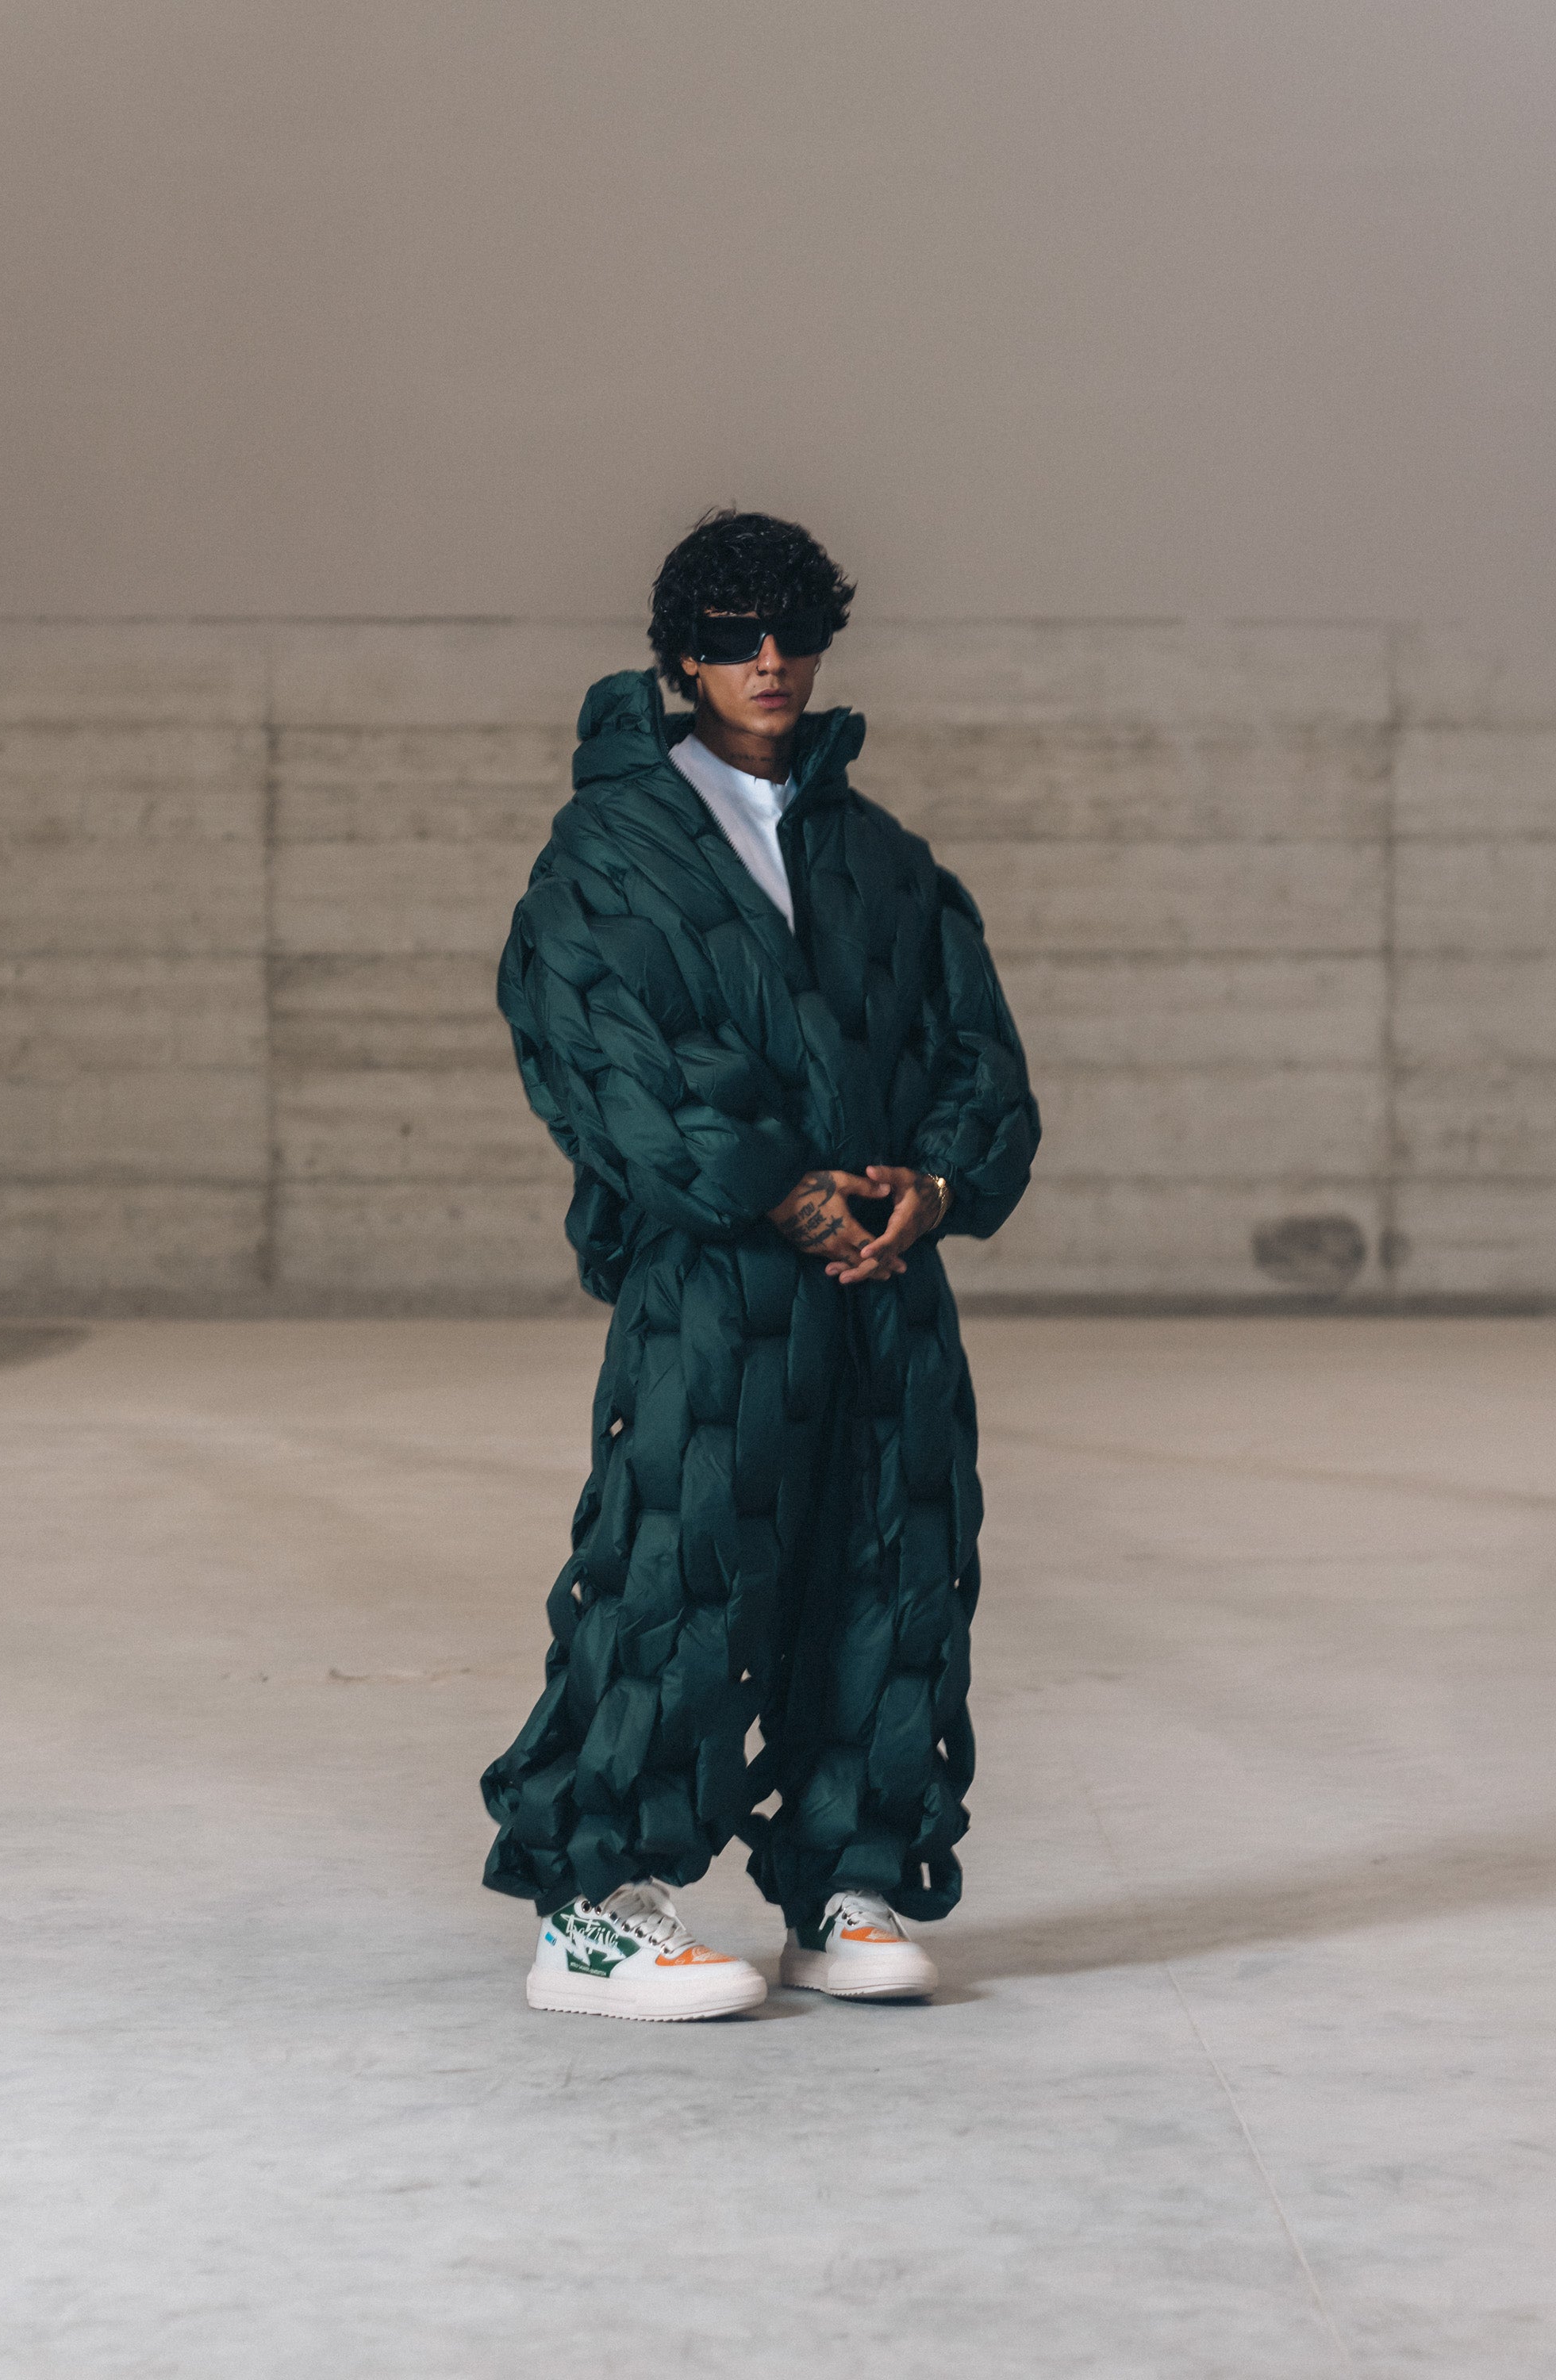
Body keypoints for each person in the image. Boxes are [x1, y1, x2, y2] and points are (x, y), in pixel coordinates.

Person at [482, 509, 1039, 2020]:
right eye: (733, 637)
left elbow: (977, 1054)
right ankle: (592, 1908)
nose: (770, 660)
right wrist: (773, 1189)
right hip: (717, 1278)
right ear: (682, 657)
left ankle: (848, 1882)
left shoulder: (881, 856)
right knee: (678, 1561)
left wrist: (933, 1188)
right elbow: (603, 1050)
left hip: (885, 1286)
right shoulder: (614, 847)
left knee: (894, 1564)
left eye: (793, 631)